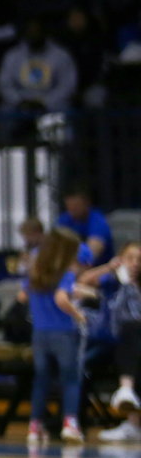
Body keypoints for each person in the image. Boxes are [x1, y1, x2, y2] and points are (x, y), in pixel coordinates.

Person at [25, 228, 87, 445]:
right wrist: (78, 314)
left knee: (41, 380)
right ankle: (70, 423)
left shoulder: (35, 272)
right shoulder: (66, 274)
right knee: (70, 380)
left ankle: (34, 427)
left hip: (40, 334)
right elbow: (61, 299)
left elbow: (22, 296)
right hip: (63, 332)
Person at [99, 242, 141, 441]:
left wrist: (132, 285)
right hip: (109, 341)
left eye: (139, 260)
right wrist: (109, 267)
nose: (135, 263)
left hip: (132, 348)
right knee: (130, 330)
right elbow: (82, 279)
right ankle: (125, 391)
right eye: (130, 258)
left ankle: (132, 418)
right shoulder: (110, 280)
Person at [57, 183, 114, 266]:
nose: (73, 209)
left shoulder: (98, 221)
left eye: (76, 206)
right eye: (69, 206)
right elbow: (53, 246)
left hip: (97, 270)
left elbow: (90, 255)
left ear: (87, 203)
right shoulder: (64, 220)